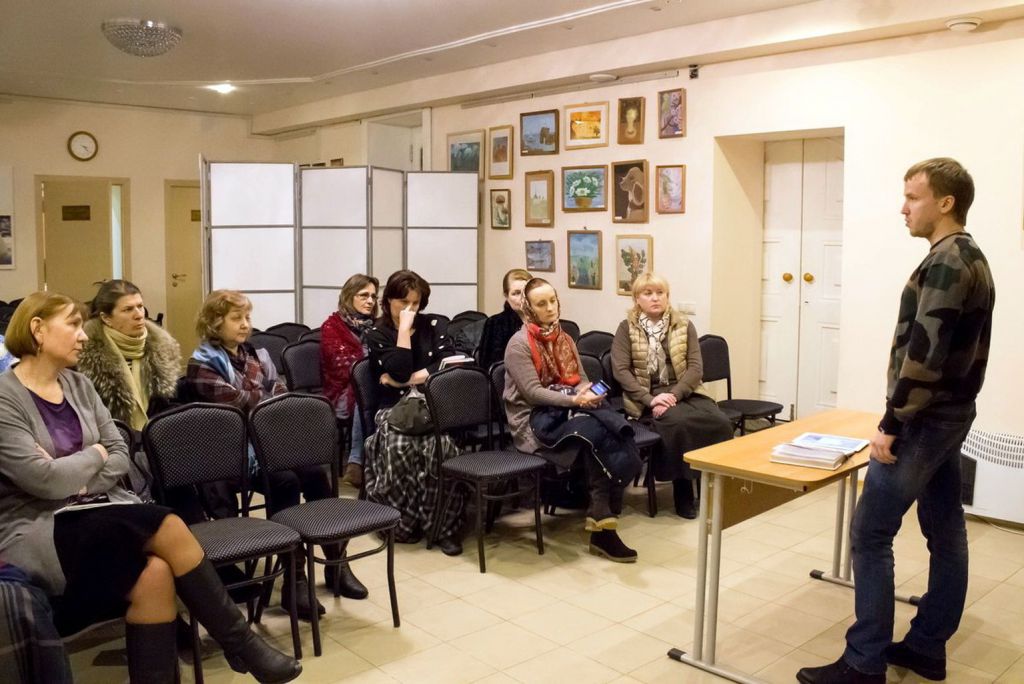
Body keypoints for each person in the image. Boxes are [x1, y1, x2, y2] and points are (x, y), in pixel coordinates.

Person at [0, 292, 301, 684]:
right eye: (73, 325)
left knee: (156, 572)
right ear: (38, 330)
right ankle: (240, 643)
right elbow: (44, 480)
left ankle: (230, 648)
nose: (83, 335)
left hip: (98, 509)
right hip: (39, 526)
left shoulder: (78, 385)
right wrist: (94, 454)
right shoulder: (5, 398)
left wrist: (75, 472)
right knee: (166, 522)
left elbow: (119, 452)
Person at [797, 158, 995, 684]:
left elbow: (924, 356)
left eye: (913, 197)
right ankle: (927, 648)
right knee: (945, 529)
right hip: (951, 414)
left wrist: (891, 422)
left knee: (870, 533)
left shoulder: (948, 261)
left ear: (945, 203)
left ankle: (864, 662)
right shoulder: (970, 255)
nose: (903, 208)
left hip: (924, 421)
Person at [186, 290, 367, 620]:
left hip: (269, 442)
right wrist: (266, 397)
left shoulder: (255, 353)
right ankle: (294, 580)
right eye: (236, 318)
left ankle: (336, 564)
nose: (245, 324)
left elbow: (280, 395)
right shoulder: (201, 363)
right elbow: (236, 407)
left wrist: (264, 399)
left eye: (247, 317)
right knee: (284, 481)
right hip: (231, 453)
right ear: (215, 322)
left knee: (315, 473)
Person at [504, 278, 641, 562]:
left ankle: (604, 518)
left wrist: (587, 392)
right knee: (594, 438)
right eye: (541, 304)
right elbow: (533, 393)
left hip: (565, 410)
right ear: (529, 308)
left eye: (552, 301)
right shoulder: (518, 345)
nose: (550, 308)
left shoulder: (563, 338)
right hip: (532, 420)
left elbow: (581, 378)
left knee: (613, 427)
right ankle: (603, 527)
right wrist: (575, 401)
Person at [610, 273, 733, 519]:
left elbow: (695, 368)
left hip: (685, 391)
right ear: (636, 299)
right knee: (678, 424)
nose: (655, 298)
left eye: (660, 293)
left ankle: (714, 488)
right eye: (648, 293)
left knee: (720, 422)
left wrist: (674, 395)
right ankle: (683, 492)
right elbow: (621, 371)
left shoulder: (683, 325)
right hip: (648, 395)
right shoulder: (626, 328)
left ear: (668, 296)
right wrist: (650, 400)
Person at [362, 270, 465, 555]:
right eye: (403, 302)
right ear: (388, 301)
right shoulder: (377, 333)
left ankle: (442, 527)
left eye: (415, 303)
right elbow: (399, 368)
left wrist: (404, 381)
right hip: (393, 409)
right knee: (398, 447)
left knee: (441, 448)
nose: (409, 309)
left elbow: (448, 364)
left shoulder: (434, 324)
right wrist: (403, 333)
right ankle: (402, 524)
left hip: (431, 406)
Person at [76, 280, 180, 431]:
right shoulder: (84, 354)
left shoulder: (162, 348)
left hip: (157, 435)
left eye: (140, 306)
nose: (139, 315)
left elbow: (169, 406)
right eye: (128, 309)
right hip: (110, 438)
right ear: (106, 318)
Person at [320, 274, 378, 488]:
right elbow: (343, 368)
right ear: (349, 296)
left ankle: (377, 461)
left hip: (373, 383)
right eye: (364, 295)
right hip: (342, 390)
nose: (370, 301)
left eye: (373, 296)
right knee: (366, 393)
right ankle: (358, 462)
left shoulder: (376, 327)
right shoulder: (331, 327)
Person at [476, 268, 532, 371]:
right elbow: (488, 365)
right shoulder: (495, 323)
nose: (523, 298)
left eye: (526, 292)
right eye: (516, 293)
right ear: (506, 296)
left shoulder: (543, 321)